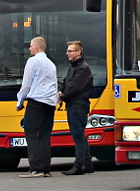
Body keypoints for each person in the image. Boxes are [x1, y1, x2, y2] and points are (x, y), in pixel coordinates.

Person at [16, 36, 59, 177]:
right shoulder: (51, 64)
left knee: (31, 131)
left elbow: (26, 83)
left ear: (36, 47)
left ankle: (35, 167)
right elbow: (54, 84)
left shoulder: (33, 61)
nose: (29, 48)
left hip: (36, 101)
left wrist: (20, 101)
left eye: (30, 46)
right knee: (45, 134)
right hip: (50, 102)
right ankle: (46, 168)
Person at [59, 40, 94, 175]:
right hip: (74, 105)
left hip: (78, 105)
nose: (67, 53)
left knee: (78, 135)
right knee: (80, 135)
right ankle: (88, 164)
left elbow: (75, 87)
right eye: (67, 51)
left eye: (70, 51)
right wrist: (61, 91)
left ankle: (78, 166)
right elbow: (66, 82)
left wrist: (62, 96)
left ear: (79, 52)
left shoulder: (83, 68)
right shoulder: (74, 67)